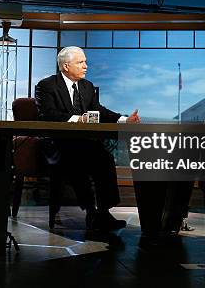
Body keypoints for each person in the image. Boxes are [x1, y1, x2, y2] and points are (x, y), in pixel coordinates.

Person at [35, 46, 140, 231]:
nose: (86, 66)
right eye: (81, 62)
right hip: (56, 143)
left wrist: (124, 119)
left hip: (82, 143)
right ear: (66, 66)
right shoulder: (47, 86)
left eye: (85, 62)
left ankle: (103, 211)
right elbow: (47, 114)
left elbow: (99, 111)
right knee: (79, 157)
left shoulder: (87, 86)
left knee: (104, 157)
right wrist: (77, 119)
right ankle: (92, 212)